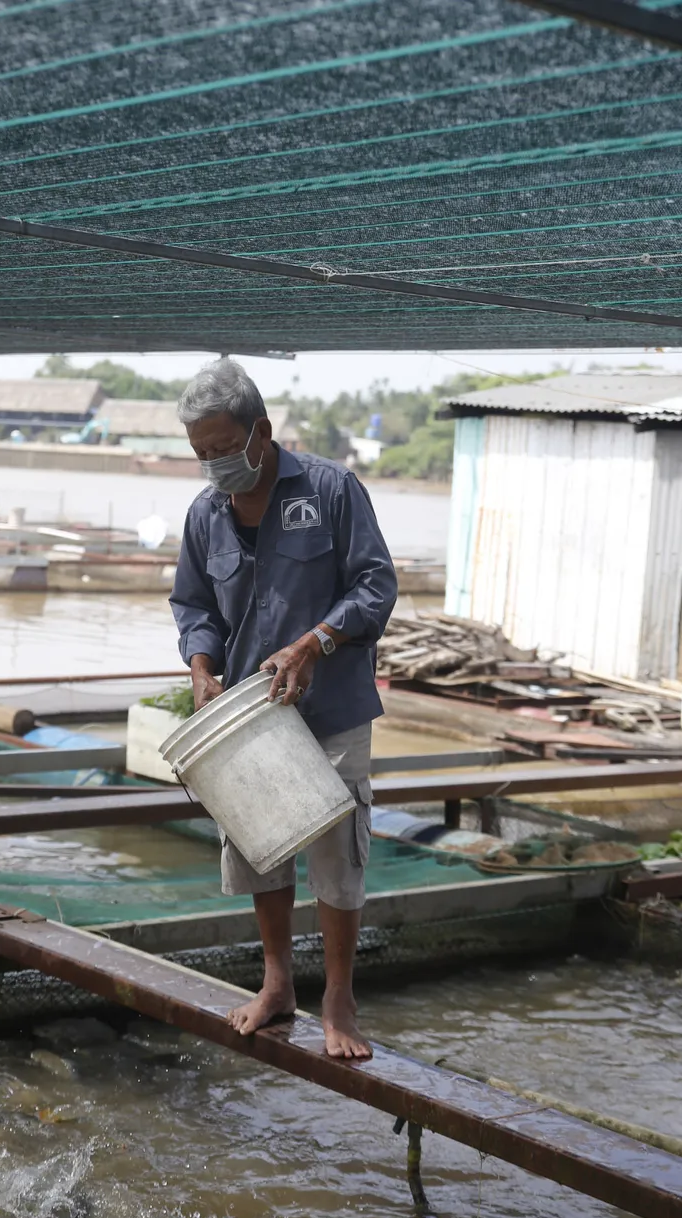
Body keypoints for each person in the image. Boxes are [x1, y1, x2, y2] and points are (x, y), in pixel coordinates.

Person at [169, 359, 398, 1060]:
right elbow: (194, 606)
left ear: (261, 432)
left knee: (337, 852)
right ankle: (276, 984)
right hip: (250, 713)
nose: (214, 464)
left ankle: (338, 996)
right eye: (201, 453)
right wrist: (202, 669)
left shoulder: (330, 490)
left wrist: (314, 643)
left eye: (223, 448)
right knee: (259, 846)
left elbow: (375, 585)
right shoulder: (205, 514)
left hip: (331, 706)